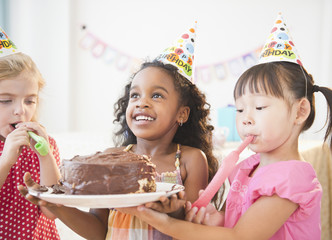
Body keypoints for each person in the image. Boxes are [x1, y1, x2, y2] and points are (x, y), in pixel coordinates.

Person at [116, 13, 332, 240]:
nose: (246, 119)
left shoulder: (291, 178)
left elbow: (241, 236)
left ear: (300, 111)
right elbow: (236, 220)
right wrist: (216, 218)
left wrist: (159, 221)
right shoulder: (249, 168)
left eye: (259, 108)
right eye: (240, 110)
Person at [19, 24, 221, 240]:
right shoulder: (112, 160)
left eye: (157, 96)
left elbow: (193, 227)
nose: (142, 103)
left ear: (182, 113)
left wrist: (172, 210)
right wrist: (56, 206)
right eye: (135, 95)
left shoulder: (190, 160)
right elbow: (98, 231)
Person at [0, 26, 61, 239]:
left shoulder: (46, 144)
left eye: (30, 100)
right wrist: (6, 160)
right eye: (6, 100)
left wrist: (46, 157)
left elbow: (52, 211)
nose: (20, 110)